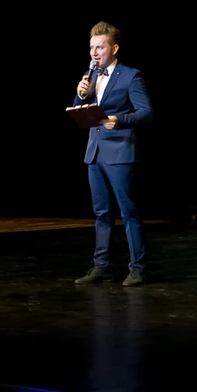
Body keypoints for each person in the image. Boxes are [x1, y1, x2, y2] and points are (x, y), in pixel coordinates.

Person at [72, 21, 154, 286]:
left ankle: (138, 268)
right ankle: (102, 266)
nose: (94, 53)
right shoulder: (91, 76)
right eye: (92, 48)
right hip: (94, 152)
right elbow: (79, 109)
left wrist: (119, 120)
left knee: (129, 211)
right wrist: (80, 96)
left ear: (114, 48)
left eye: (100, 47)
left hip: (120, 151)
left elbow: (145, 112)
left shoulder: (131, 76)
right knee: (101, 212)